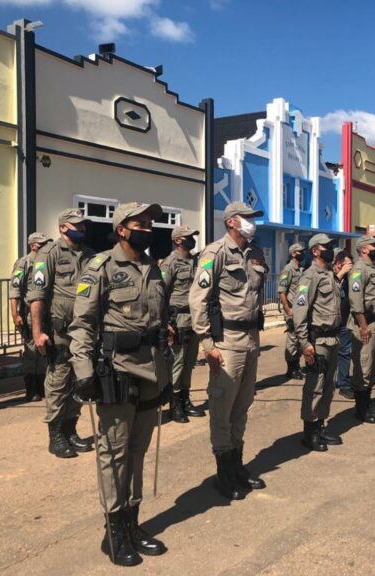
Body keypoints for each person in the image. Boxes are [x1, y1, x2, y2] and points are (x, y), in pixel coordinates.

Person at [69, 202, 169, 567]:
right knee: (114, 452)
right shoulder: (100, 267)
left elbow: (161, 326)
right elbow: (82, 325)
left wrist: (167, 375)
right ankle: (113, 531)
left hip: (151, 371)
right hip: (117, 371)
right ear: (121, 229)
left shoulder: (154, 268)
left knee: (138, 451)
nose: (147, 229)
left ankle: (132, 521)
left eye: (150, 223)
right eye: (139, 224)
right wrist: (83, 371)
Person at [189, 201, 268, 501]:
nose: (252, 222)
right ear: (231, 221)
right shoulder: (215, 253)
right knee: (222, 408)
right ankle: (224, 471)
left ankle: (237, 464)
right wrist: (207, 343)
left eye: (253, 218)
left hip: (251, 339)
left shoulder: (256, 253)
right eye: (247, 218)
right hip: (227, 341)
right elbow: (198, 299)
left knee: (242, 406)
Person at [28, 208, 95, 459]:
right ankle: (56, 435)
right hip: (60, 332)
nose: (83, 229)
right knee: (58, 382)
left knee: (80, 380)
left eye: (84, 225)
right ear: (63, 227)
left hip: (85, 331)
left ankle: (71, 429)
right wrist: (37, 332)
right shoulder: (48, 254)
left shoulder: (90, 255)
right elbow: (37, 296)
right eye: (78, 225)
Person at [293, 234, 343, 451]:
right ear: (315, 251)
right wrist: (305, 343)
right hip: (318, 339)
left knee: (329, 386)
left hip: (333, 337)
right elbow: (300, 312)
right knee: (315, 386)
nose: (330, 249)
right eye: (326, 247)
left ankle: (320, 426)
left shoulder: (329, 274)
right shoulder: (309, 276)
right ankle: (310, 432)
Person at [161, 225, 206, 424]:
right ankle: (175, 405)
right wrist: (165, 323)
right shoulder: (170, 263)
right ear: (178, 240)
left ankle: (186, 400)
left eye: (192, 237)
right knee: (177, 364)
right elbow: (160, 294)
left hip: (194, 320)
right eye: (188, 237)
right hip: (177, 321)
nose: (192, 240)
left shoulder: (196, 261)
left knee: (189, 363)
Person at [348, 236, 375, 423]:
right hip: (365, 324)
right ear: (363, 249)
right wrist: (363, 326)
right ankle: (361, 409)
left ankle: (368, 403)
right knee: (363, 367)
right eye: (374, 246)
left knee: (374, 366)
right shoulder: (359, 269)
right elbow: (356, 301)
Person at [9, 232, 51, 402]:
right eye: (42, 244)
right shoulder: (23, 263)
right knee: (32, 351)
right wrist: (15, 314)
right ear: (33, 246)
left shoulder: (46, 262)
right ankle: (31, 387)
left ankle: (41, 385)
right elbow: (14, 290)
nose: (45, 247)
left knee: (44, 350)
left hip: (46, 313)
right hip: (29, 314)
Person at [278, 243, 306, 381]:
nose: (303, 254)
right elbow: (282, 292)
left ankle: (297, 365)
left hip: (300, 310)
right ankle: (291, 368)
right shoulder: (288, 269)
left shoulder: (301, 269)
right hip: (292, 310)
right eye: (300, 251)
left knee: (300, 338)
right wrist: (288, 310)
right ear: (293, 253)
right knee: (293, 339)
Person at [333, 249, 354, 399]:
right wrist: (340, 274)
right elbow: (330, 290)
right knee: (328, 353)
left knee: (345, 352)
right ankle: (327, 381)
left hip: (345, 321)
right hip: (329, 323)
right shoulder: (328, 275)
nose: (349, 267)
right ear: (338, 264)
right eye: (347, 264)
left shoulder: (349, 278)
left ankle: (343, 384)